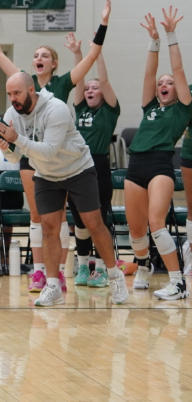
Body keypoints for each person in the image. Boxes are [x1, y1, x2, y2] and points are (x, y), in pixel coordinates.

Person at [0, 0, 128, 307]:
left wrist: (17, 141)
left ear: (30, 90)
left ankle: (116, 277)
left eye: (15, 93)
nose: (11, 99)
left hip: (78, 169)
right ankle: (53, 285)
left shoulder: (56, 108)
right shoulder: (11, 114)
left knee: (94, 223)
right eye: (8, 94)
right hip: (47, 175)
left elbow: (51, 151)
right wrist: (7, 146)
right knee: (50, 227)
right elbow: (16, 158)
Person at [125, 8, 190, 300]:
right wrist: (153, 41)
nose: (164, 84)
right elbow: (149, 72)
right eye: (161, 84)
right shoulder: (150, 106)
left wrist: (170, 34)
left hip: (161, 164)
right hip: (135, 164)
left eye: (169, 83)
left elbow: (177, 71)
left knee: (156, 223)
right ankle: (144, 266)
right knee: (136, 230)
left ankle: (177, 281)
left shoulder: (183, 107)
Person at [65, 33, 120, 288]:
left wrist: (97, 53)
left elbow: (105, 80)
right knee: (79, 221)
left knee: (98, 219)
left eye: (94, 88)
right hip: (76, 166)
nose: (89, 90)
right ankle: (83, 266)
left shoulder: (109, 111)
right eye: (88, 88)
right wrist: (77, 54)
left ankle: (101, 268)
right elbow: (78, 79)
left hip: (98, 166)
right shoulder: (81, 108)